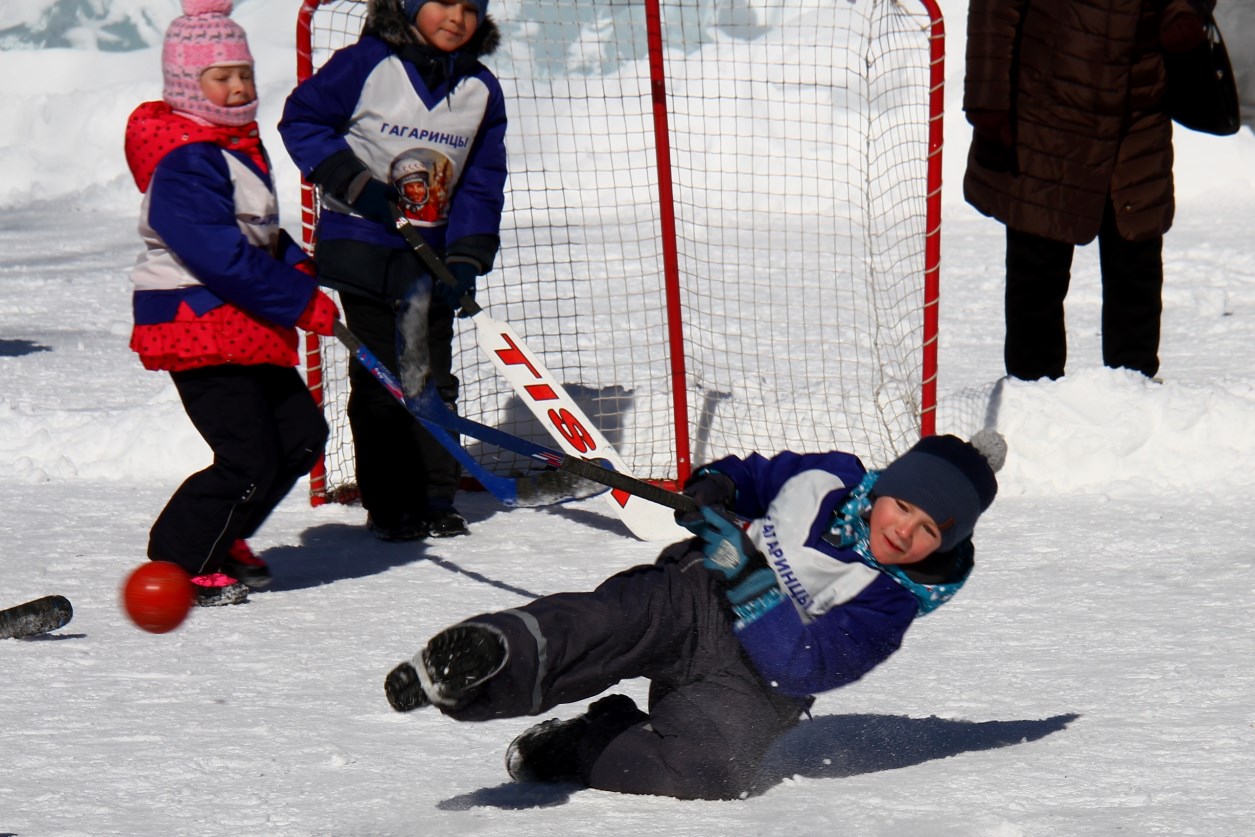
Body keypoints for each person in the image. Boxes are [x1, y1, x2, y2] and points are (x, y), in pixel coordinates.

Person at [383, 431, 1005, 800]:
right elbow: (755, 475)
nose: (905, 532)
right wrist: (715, 487)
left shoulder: (892, 603)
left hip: (757, 684)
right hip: (696, 594)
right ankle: (485, 665)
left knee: (709, 774)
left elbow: (806, 667)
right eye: (904, 507)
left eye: (929, 531)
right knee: (605, 625)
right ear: (888, 486)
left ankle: (586, 743)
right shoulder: (832, 477)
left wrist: (750, 577)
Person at [124, 0, 338, 606]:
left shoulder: (234, 145)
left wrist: (298, 267)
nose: (239, 86)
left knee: (299, 437)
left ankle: (224, 535)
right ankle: (183, 558)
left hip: (240, 321)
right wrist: (297, 300)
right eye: (221, 77)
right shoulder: (187, 158)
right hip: (196, 323)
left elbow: (254, 234)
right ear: (187, 85)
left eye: (244, 73)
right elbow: (217, 254)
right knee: (248, 456)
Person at [279, 0, 508, 541]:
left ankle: (434, 497)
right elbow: (303, 121)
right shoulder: (366, 63)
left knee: (430, 378)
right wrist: (357, 184)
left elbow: (481, 177)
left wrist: (466, 253)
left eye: (469, 8)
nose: (456, 18)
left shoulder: (480, 88)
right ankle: (390, 504)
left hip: (430, 257)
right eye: (442, 2)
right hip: (362, 245)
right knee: (383, 380)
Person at [963, 0, 1213, 382]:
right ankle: (1033, 395)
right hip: (1048, 104)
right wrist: (988, 95)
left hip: (1140, 103)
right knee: (1038, 266)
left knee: (1136, 260)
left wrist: (1185, 9)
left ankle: (1135, 392)